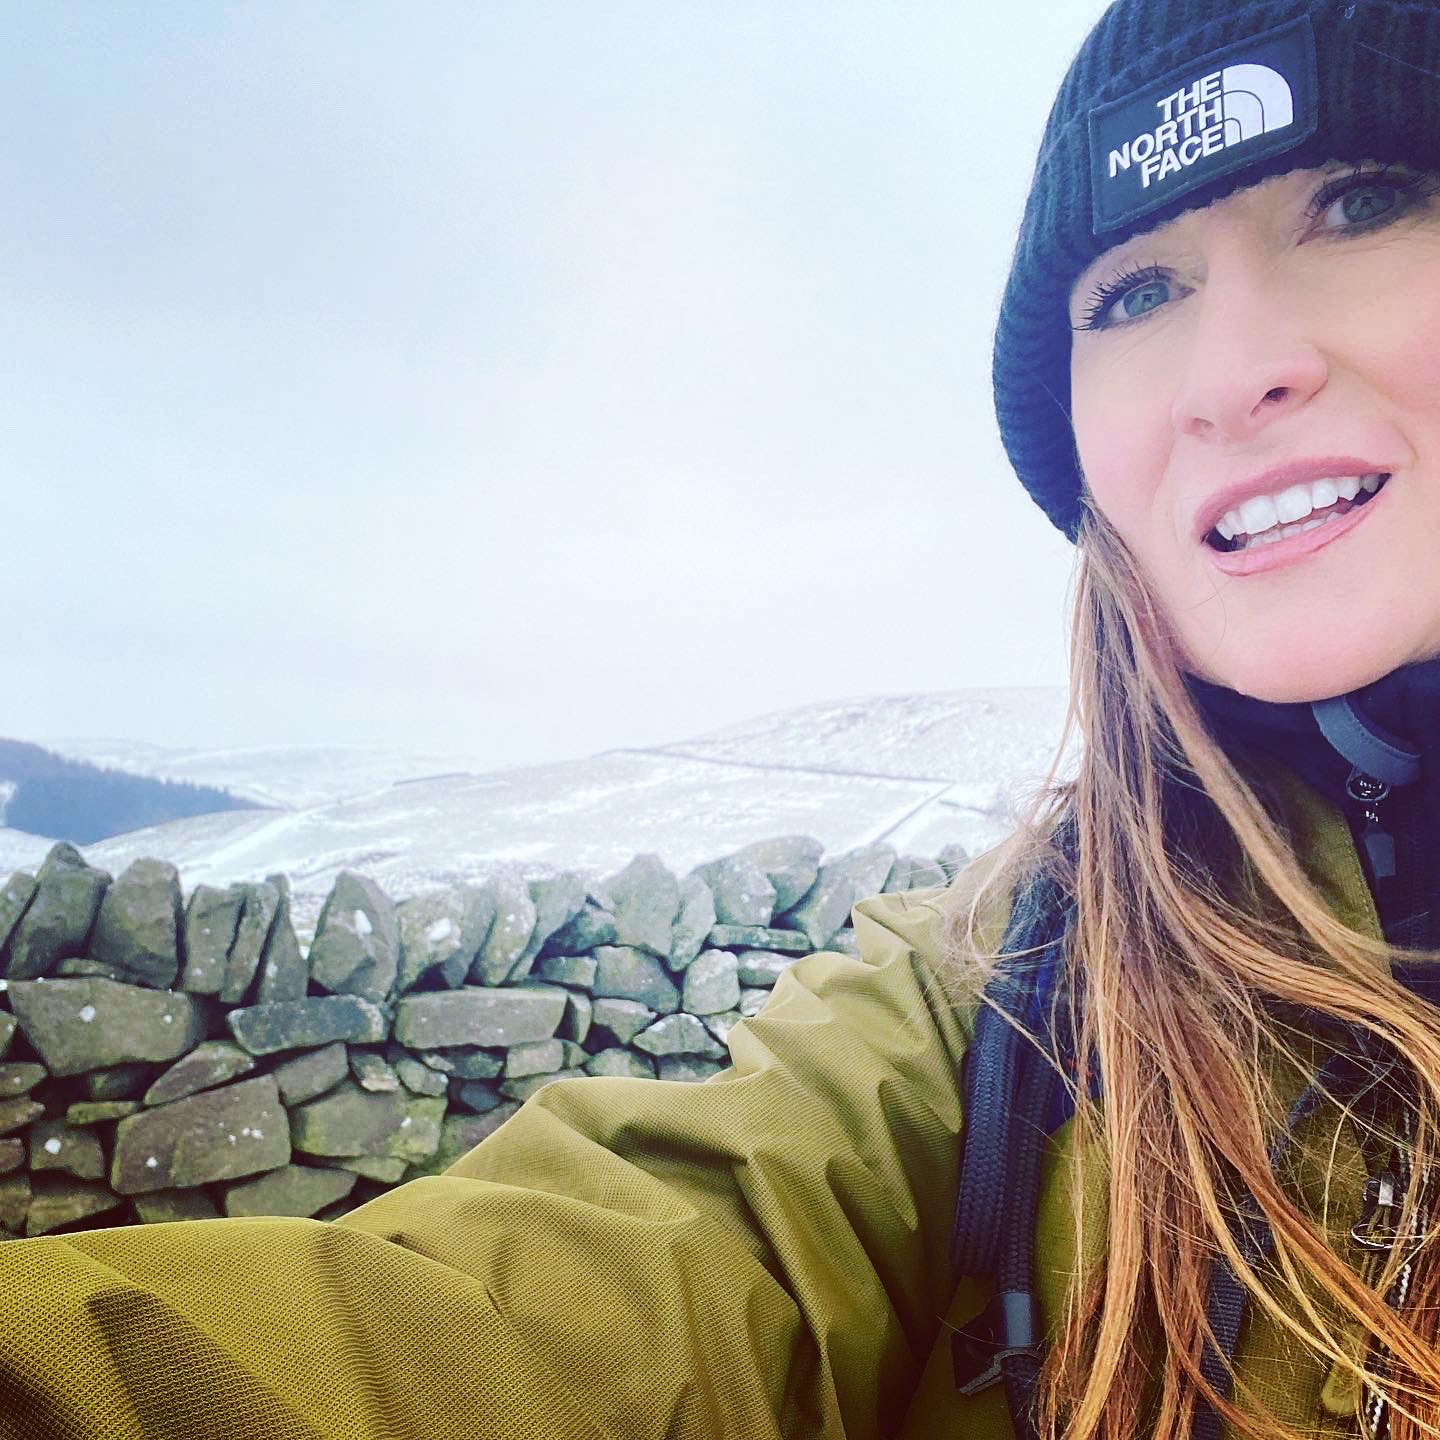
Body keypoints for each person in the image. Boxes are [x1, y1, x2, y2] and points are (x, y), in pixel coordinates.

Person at [3, 0, 1439, 1436]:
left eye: (1361, 203)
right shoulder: (1004, 999)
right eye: (1132, 293)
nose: (1229, 372)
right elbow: (559, 1306)